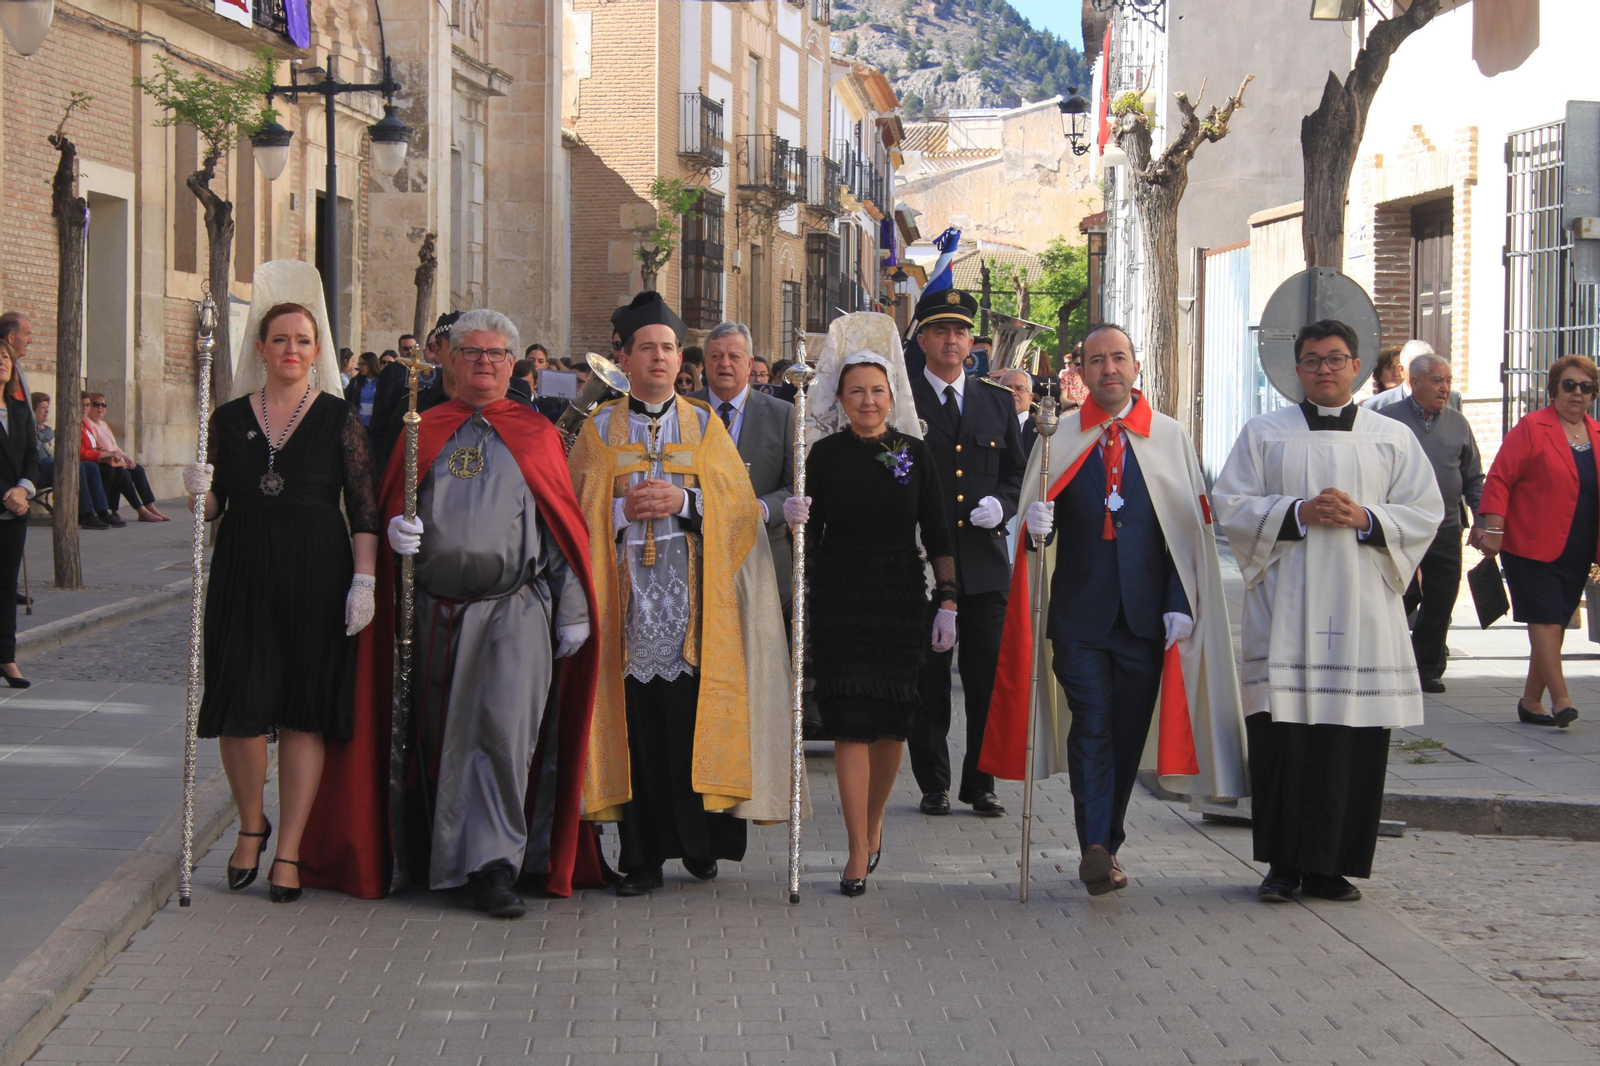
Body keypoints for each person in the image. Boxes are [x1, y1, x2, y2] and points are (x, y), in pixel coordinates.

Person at [303, 309, 606, 914]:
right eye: (472, 352)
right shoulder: (422, 428)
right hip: (433, 614)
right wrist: (393, 533)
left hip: (513, 610)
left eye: (497, 353)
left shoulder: (537, 432)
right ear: (447, 358)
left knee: (502, 734)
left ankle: (493, 867)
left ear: (513, 363)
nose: (485, 363)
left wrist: (573, 609)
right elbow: (385, 504)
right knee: (442, 740)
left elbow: (560, 531)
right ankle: (438, 856)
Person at [984, 324, 1247, 895]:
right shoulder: (1058, 439)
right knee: (1093, 727)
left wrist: (1181, 603)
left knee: (1126, 736)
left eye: (1119, 358)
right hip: (1078, 616)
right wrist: (1031, 530)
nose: (1109, 369)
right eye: (1097, 361)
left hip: (1146, 618)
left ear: (1135, 366)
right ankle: (1094, 847)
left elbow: (1190, 533)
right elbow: (1031, 529)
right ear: (1080, 371)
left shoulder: (1170, 438)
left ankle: (1109, 838)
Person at [569, 291, 796, 898]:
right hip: (626, 608)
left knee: (688, 724)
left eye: (668, 348)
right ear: (625, 357)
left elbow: (741, 514)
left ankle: (698, 846)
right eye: (648, 348)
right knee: (638, 730)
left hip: (693, 609)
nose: (660, 359)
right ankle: (640, 857)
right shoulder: (597, 431)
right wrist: (617, 508)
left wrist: (687, 501)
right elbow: (571, 512)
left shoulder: (703, 425)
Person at [1213, 319, 1443, 904]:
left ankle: (1332, 866)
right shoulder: (1264, 433)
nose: (1324, 368)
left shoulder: (1390, 437)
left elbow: (1425, 511)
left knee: (1350, 741)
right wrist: (1296, 514)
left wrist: (1366, 519)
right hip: (1288, 610)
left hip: (1362, 613)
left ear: (1357, 366)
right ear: (1296, 369)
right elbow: (1230, 504)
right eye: (1313, 359)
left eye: (1336, 359)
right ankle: (1283, 866)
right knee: (1285, 736)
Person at [179, 268, 380, 905]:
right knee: (238, 710)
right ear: (260, 348)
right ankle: (250, 823)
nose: (291, 350)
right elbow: (214, 508)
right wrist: (197, 493)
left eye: (302, 340)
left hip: (318, 577)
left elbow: (364, 508)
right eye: (279, 340)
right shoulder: (229, 417)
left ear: (317, 352)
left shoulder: (339, 419)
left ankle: (288, 848)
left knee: (301, 715)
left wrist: (365, 581)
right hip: (243, 573)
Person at [783, 313, 950, 895]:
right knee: (849, 724)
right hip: (839, 599)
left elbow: (939, 531)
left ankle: (876, 820)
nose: (868, 400)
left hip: (899, 596)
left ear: (891, 394)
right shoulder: (823, 456)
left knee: (891, 727)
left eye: (877, 391)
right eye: (857, 391)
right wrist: (795, 523)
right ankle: (856, 846)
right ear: (840, 396)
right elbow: (808, 533)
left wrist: (948, 600)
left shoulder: (914, 454)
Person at [907, 286, 1026, 818]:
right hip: (923, 566)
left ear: (973, 342)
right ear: (924, 339)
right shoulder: (901, 399)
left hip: (982, 563)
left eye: (959, 331)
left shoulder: (996, 401)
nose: (951, 340)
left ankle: (981, 782)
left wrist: (1002, 506)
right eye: (940, 330)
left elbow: (1017, 472)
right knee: (928, 683)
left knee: (985, 679)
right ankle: (932, 781)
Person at [1474, 354, 1600, 728]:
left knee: (1557, 620)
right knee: (1544, 618)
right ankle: (1561, 701)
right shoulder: (1532, 427)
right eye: (1570, 385)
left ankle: (1531, 701)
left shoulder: (1597, 434)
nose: (1577, 393)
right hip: (1529, 542)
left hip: (1577, 545)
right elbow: (1499, 478)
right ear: (1554, 389)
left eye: (1586, 387)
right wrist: (1493, 530)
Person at [1378, 352, 1484, 693]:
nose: (1445, 387)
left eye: (1448, 381)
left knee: (1441, 597)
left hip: (1446, 524)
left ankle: (1427, 668)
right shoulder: (1388, 420)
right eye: (1437, 380)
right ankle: (1385, 656)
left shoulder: (1458, 423)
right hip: (1400, 525)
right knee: (1400, 594)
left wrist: (1482, 518)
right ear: (1415, 382)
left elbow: (1473, 476)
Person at [689, 321, 796, 608]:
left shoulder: (782, 414)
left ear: (748, 364)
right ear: (704, 364)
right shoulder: (684, 410)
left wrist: (762, 509)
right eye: (716, 356)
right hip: (697, 556)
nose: (725, 363)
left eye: (734, 357)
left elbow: (795, 486)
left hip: (763, 555)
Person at [0, 344, 40, 688]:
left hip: (15, 511)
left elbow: (33, 456)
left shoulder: (19, 409)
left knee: (6, 586)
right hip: (5, 502)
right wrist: (7, 494)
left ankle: (6, 657)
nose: (1, 362)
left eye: (5, 358)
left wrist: (23, 490)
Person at [84, 393, 170, 522]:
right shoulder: (88, 423)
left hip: (115, 459)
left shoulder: (103, 424)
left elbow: (115, 446)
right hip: (105, 461)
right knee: (123, 474)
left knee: (138, 469)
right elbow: (97, 447)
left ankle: (150, 506)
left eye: (104, 405)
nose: (100, 408)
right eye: (96, 404)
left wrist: (126, 458)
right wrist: (117, 459)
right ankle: (138, 509)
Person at [1364, 340, 1464, 413]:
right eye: (1417, 367)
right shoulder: (1376, 406)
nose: (1424, 373)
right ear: (1402, 370)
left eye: (1429, 368)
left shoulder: (1453, 399)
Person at [999, 367, 1036, 455]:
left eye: (1020, 389)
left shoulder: (1042, 431)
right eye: (1007, 388)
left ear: (1030, 398)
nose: (1013, 393)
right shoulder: (986, 427)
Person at [344, 351, 381, 426]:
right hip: (358, 423)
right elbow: (347, 398)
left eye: (363, 364)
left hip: (376, 424)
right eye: (359, 364)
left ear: (371, 364)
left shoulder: (382, 381)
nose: (360, 367)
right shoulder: (355, 382)